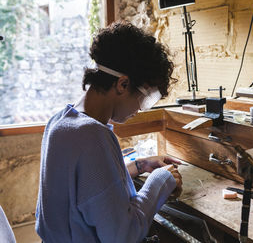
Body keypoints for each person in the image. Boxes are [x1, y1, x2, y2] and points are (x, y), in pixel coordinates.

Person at [35, 22, 183, 243]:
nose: (140, 109)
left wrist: (138, 166)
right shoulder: (92, 136)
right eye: (145, 98)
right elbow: (123, 235)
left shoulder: (60, 122)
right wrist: (161, 179)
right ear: (122, 85)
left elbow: (87, 187)